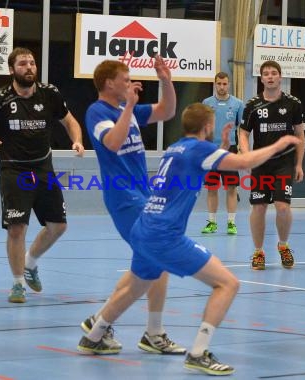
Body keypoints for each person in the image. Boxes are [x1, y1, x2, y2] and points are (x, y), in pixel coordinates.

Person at [77, 103, 300, 375]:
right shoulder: (199, 149)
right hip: (165, 235)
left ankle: (94, 335)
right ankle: (198, 352)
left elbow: (202, 167)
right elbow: (243, 163)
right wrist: (279, 145)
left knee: (136, 286)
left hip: (143, 228)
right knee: (227, 284)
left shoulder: (175, 148)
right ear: (208, 127)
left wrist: (226, 143)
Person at [80, 56, 185, 355]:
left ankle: (100, 323)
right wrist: (127, 107)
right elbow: (112, 142)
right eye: (125, 80)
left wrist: (165, 79)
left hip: (144, 195)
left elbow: (168, 110)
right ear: (109, 82)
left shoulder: (130, 111)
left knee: (148, 264)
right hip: (124, 198)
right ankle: (151, 333)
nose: (130, 84)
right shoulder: (97, 111)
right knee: (158, 257)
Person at [0, 47, 85, 303]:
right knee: (17, 228)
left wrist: (77, 140)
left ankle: (30, 263)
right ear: (12, 69)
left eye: (32, 62)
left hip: (43, 167)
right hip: (14, 169)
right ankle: (18, 283)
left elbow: (70, 121)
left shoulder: (50, 94)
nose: (29, 67)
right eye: (23, 64)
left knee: (58, 226)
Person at [239, 60, 305, 270]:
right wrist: (247, 156)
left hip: (284, 163)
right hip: (260, 162)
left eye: (273, 73)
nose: (270, 76)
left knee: (283, 207)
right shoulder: (252, 105)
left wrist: (299, 164)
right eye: (266, 73)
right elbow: (243, 133)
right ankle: (258, 252)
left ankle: (283, 246)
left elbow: (300, 134)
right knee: (258, 207)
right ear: (261, 78)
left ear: (280, 77)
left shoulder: (293, 103)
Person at [200, 72, 244, 235]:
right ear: (215, 84)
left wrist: (241, 150)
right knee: (212, 187)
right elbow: (202, 128)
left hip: (230, 151)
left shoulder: (238, 104)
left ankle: (231, 223)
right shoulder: (206, 103)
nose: (222, 87)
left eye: (225, 84)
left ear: (229, 84)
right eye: (219, 83)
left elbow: (242, 130)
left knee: (231, 187)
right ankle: (212, 222)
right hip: (210, 150)